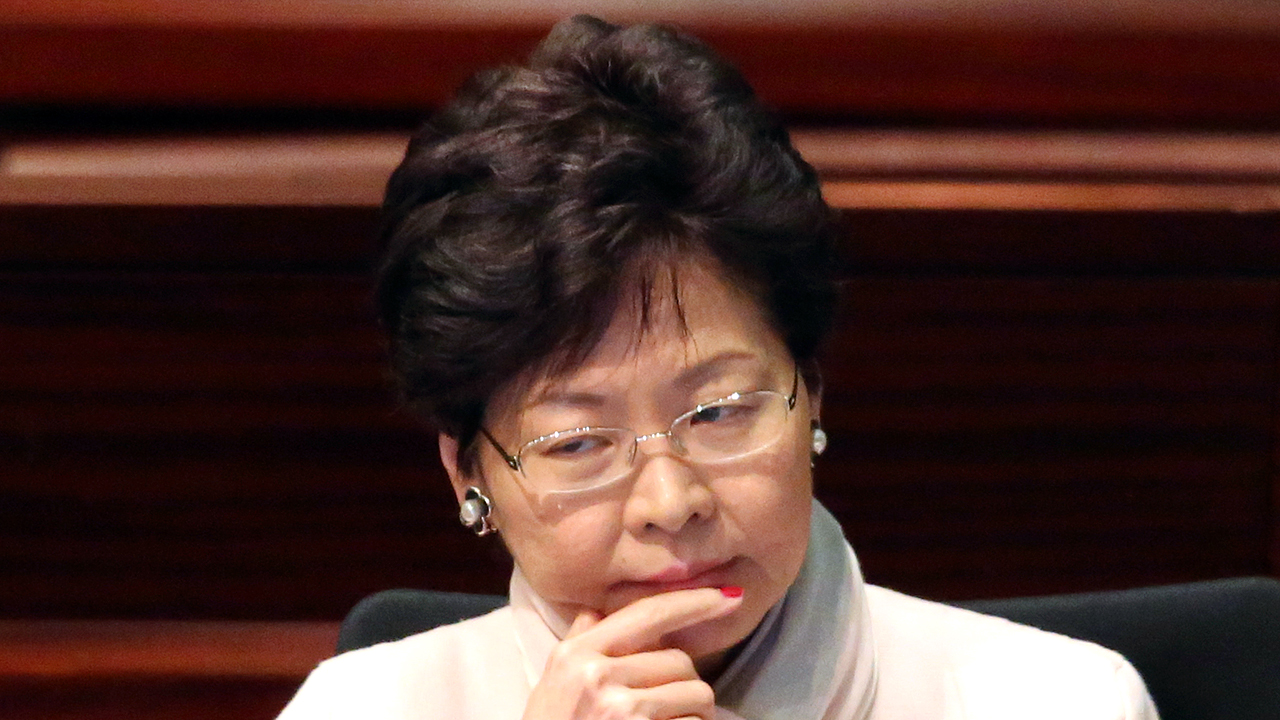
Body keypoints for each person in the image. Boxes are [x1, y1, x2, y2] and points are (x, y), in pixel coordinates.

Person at [278, 15, 1158, 720]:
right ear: (469, 473)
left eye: (721, 411)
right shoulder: (362, 707)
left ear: (810, 391)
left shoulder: (1061, 701)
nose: (671, 504)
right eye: (579, 443)